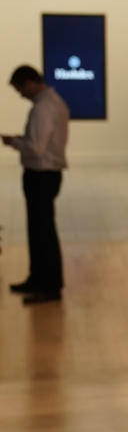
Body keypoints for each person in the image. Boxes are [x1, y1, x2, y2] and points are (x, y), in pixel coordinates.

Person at [2, 65, 69, 304]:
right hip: (46, 174)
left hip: (42, 175)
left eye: (20, 89)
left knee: (43, 232)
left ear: (29, 83)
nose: (20, 94)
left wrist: (14, 142)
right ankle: (38, 279)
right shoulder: (53, 102)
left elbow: (36, 148)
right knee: (39, 230)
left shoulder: (43, 108)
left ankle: (49, 286)